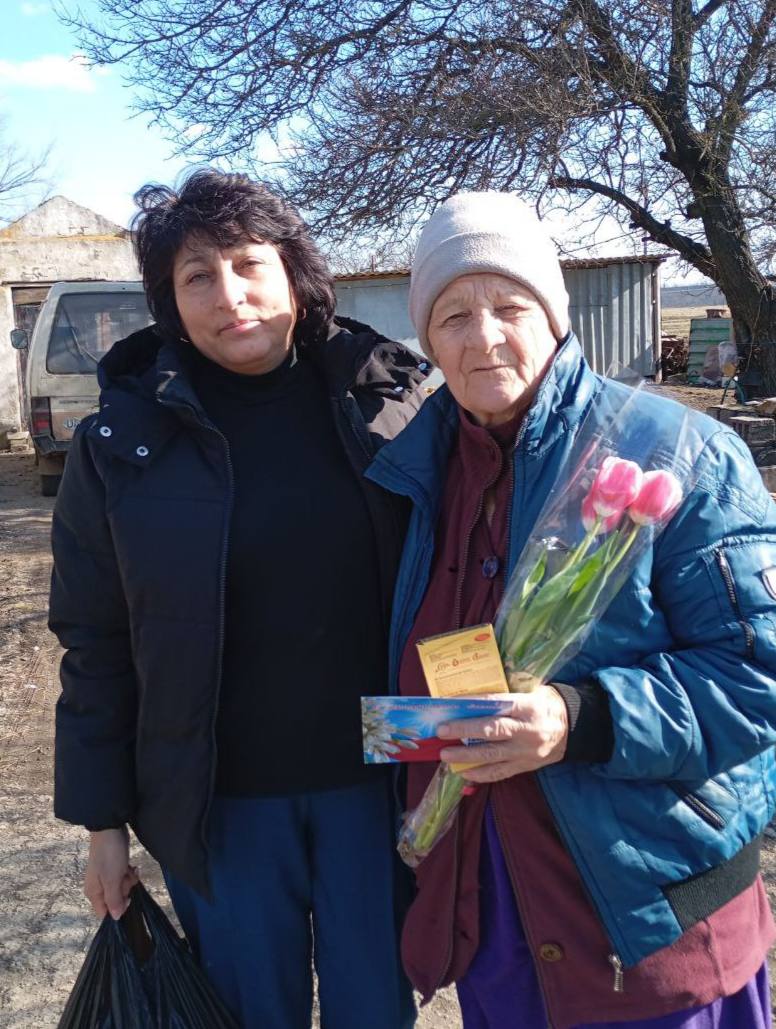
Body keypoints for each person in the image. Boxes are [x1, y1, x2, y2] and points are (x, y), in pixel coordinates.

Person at [365, 192, 776, 1028]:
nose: (483, 337)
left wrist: (580, 717)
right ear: (427, 339)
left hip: (648, 925)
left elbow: (757, 672)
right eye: (453, 316)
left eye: (510, 307)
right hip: (492, 921)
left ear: (555, 316)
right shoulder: (413, 476)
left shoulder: (677, 452)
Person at [49, 168, 429, 1029]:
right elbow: (95, 639)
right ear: (169, 302)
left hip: (377, 790)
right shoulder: (121, 443)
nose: (230, 295)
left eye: (250, 264)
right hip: (220, 805)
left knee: (378, 1009)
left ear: (294, 271)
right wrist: (102, 823)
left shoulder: (389, 405)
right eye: (198, 276)